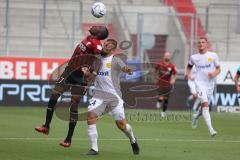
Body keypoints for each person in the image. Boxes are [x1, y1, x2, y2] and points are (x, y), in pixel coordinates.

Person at [35, 25, 109, 147]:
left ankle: (68, 139)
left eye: (98, 27)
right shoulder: (89, 37)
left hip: (81, 78)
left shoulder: (97, 44)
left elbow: (98, 60)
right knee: (54, 95)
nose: (95, 25)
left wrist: (92, 73)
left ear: (99, 34)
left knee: (73, 107)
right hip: (69, 71)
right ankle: (46, 126)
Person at [86, 39, 140, 155]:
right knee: (91, 117)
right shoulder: (96, 59)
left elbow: (125, 68)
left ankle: (132, 139)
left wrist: (128, 70)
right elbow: (90, 76)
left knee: (121, 125)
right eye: (104, 44)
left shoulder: (115, 60)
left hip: (114, 97)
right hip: (98, 96)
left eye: (108, 46)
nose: (105, 47)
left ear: (113, 49)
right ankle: (94, 149)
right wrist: (87, 73)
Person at [185, 37, 220, 136]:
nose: (200, 44)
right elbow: (189, 66)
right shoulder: (194, 57)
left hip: (210, 85)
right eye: (199, 42)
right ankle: (211, 129)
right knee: (205, 105)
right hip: (199, 83)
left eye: (203, 42)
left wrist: (214, 73)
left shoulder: (213, 56)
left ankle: (196, 117)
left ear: (206, 44)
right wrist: (187, 74)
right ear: (197, 45)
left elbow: (218, 69)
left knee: (204, 107)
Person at [154, 52, 177, 117]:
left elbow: (175, 74)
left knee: (166, 99)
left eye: (168, 56)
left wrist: (173, 80)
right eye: (166, 56)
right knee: (161, 97)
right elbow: (154, 71)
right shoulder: (159, 64)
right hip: (160, 83)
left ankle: (163, 112)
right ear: (164, 56)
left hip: (167, 84)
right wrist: (155, 78)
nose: (167, 57)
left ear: (170, 57)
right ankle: (159, 101)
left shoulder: (172, 66)